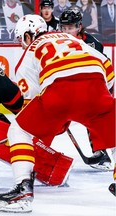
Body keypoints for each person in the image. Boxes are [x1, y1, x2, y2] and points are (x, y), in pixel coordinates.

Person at [0, 14, 115, 213]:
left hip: (59, 94)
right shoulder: (75, 40)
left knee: (19, 130)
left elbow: (30, 105)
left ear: (29, 36)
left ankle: (23, 189)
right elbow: (107, 70)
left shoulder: (29, 53)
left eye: (22, 38)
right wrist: (93, 104)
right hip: (96, 89)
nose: (22, 44)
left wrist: (58, 119)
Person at [59, 8, 113, 170]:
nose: (67, 31)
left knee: (94, 117)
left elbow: (102, 67)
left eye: (71, 28)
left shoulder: (92, 43)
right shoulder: (56, 42)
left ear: (79, 27)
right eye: (64, 28)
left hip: (89, 87)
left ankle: (101, 152)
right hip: (64, 87)